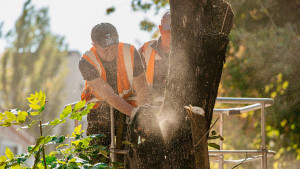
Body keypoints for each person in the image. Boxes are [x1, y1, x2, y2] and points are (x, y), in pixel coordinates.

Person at [78, 22, 151, 163]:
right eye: (105, 50)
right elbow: (109, 95)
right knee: (98, 154)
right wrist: (135, 113)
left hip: (129, 105)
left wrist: (143, 114)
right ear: (94, 45)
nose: (110, 53)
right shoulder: (86, 62)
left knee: (129, 152)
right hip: (100, 109)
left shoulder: (130, 52)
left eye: (113, 48)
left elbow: (142, 87)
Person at [138, 11, 171, 102]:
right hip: (149, 103)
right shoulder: (145, 50)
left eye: (175, 30)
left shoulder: (185, 53)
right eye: (167, 28)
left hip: (177, 102)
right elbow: (134, 79)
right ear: (160, 29)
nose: (170, 33)